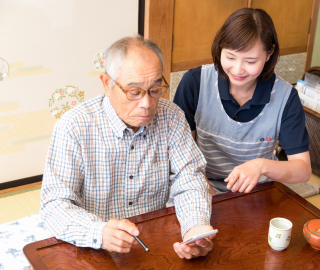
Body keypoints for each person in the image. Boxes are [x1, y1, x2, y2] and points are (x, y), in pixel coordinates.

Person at [40, 35, 215, 259]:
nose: (147, 103)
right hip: (93, 247)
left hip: (157, 240)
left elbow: (189, 179)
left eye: (154, 89)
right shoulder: (74, 127)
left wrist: (195, 227)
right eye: (134, 92)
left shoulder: (171, 117)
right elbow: (54, 205)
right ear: (107, 83)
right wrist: (98, 232)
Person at [173, 8, 312, 195]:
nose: (238, 70)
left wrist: (261, 166)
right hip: (200, 186)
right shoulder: (195, 83)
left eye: (250, 61)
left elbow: (303, 170)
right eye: (230, 57)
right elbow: (180, 157)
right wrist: (212, 199)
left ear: (269, 53)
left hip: (255, 191)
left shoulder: (286, 97)